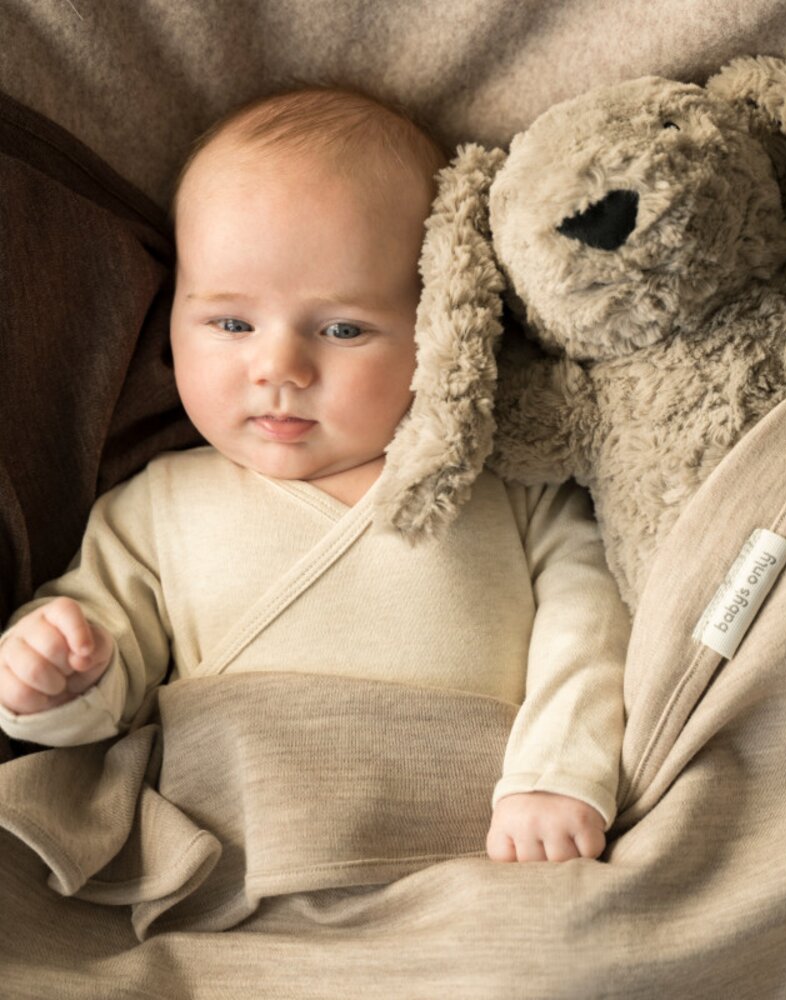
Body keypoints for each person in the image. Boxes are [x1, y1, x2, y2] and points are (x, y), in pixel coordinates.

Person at [0, 85, 630, 863]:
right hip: (235, 854)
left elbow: (591, 626)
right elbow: (106, 683)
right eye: (231, 323)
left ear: (440, 323)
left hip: (476, 849)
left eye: (342, 328)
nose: (280, 369)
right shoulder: (156, 508)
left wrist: (556, 774)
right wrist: (53, 678)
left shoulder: (513, 489)